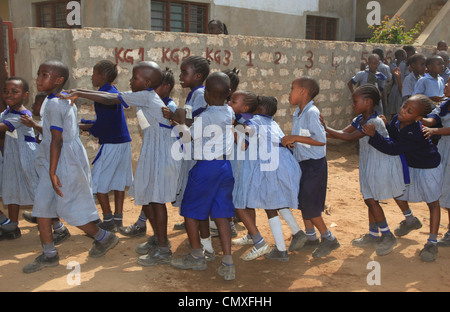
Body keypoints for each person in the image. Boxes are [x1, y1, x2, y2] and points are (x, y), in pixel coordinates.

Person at [62, 61, 181, 267]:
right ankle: (157, 239)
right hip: (154, 152)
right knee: (149, 199)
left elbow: (110, 98)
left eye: (135, 78)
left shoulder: (146, 95)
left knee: (157, 200)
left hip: (161, 155)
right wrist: (79, 91)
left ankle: (163, 249)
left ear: (147, 82)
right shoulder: (147, 96)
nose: (130, 81)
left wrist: (78, 92)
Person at [23, 60, 119, 273]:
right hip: (54, 158)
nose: (39, 79)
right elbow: (51, 137)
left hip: (62, 161)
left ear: (58, 80)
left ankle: (104, 237)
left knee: (70, 208)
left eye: (45, 75)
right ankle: (49, 254)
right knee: (43, 207)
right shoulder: (54, 100)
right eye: (39, 74)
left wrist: (52, 171)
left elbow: (57, 140)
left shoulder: (57, 104)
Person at [322, 84, 405, 256]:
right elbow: (342, 132)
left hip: (380, 164)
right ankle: (373, 234)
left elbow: (348, 137)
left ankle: (387, 235)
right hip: (369, 163)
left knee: (371, 199)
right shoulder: (360, 119)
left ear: (367, 102)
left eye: (355, 101)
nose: (352, 105)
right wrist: (321, 131)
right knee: (369, 197)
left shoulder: (372, 122)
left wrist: (326, 128)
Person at [170, 71, 236, 281]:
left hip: (206, 168)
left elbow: (187, 138)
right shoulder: (230, 112)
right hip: (225, 167)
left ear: (206, 94)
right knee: (222, 214)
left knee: (190, 211)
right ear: (229, 94)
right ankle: (227, 261)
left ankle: (197, 256)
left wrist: (180, 122)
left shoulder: (206, 117)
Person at [362, 95, 443, 262]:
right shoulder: (397, 121)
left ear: (418, 118)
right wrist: (387, 126)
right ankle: (410, 219)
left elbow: (394, 148)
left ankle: (432, 242)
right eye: (404, 106)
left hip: (428, 168)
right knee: (397, 192)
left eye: (409, 111)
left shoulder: (416, 132)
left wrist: (374, 136)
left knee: (433, 203)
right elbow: (395, 136)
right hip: (409, 165)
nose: (403, 111)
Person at [281, 77, 340, 258]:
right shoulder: (299, 112)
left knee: (310, 205)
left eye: (292, 88)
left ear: (303, 92)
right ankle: (311, 237)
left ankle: (329, 238)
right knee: (303, 201)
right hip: (303, 163)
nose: (289, 93)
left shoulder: (311, 112)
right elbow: (305, 138)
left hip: (314, 165)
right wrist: (294, 143)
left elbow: (320, 140)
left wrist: (295, 138)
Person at [244, 96, 306, 262]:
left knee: (269, 207)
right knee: (278, 201)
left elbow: (246, 132)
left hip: (271, 168)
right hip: (286, 166)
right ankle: (297, 233)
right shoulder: (273, 123)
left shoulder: (256, 120)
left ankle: (280, 250)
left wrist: (233, 125)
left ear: (258, 110)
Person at [119, 67, 178, 238]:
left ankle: (155, 235)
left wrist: (173, 119)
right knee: (148, 191)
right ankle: (144, 226)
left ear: (165, 87)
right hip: (152, 151)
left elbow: (178, 130)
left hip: (164, 154)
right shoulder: (147, 101)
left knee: (155, 195)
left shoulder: (168, 106)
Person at [78, 60, 133, 233]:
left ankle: (108, 219)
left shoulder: (102, 95)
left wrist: (88, 128)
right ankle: (118, 218)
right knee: (118, 182)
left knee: (98, 182)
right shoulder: (112, 92)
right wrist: (87, 124)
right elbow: (107, 120)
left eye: (94, 74)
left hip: (111, 143)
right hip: (123, 142)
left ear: (101, 76)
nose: (92, 77)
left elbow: (103, 125)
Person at [162, 56, 210, 249]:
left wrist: (175, 117)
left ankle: (201, 245)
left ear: (197, 75)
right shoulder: (193, 94)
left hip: (196, 152)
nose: (181, 76)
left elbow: (195, 122)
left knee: (195, 196)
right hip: (191, 149)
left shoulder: (200, 94)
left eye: (184, 73)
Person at [20, 92, 71, 245]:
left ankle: (56, 228)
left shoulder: (49, 115)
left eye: (36, 104)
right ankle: (52, 223)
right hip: (46, 161)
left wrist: (34, 126)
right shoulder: (46, 117)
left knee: (48, 198)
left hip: (52, 163)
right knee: (46, 197)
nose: (34, 106)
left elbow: (54, 137)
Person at [0, 77, 39, 240]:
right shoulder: (7, 112)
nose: (9, 95)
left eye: (14, 92)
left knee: (37, 190)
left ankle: (57, 225)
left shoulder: (23, 114)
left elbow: (3, 126)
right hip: (13, 158)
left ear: (25, 95)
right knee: (12, 190)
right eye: (6, 91)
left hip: (27, 158)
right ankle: (13, 226)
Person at [422, 77, 450, 247]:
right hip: (445, 151)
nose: (445, 85)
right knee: (445, 190)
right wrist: (418, 117)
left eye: (449, 84)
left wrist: (433, 130)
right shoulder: (446, 104)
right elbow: (432, 119)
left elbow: (435, 126)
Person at [386, 49, 407, 119]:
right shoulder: (405, 65)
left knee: (394, 107)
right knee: (399, 106)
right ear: (403, 55)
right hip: (401, 87)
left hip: (395, 87)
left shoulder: (392, 65)